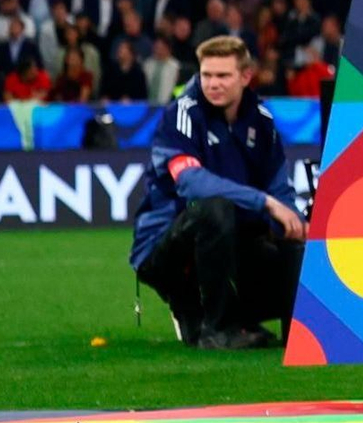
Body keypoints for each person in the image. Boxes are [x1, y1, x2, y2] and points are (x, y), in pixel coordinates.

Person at [129, 36, 307, 351]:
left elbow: (279, 189)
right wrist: (264, 202)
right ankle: (215, 327)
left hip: (230, 241)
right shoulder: (181, 114)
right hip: (162, 247)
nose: (213, 84)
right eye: (206, 75)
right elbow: (191, 183)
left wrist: (293, 221)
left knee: (294, 237)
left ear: (245, 76)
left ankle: (296, 332)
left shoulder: (262, 121)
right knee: (215, 208)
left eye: (223, 76)